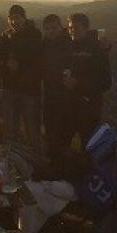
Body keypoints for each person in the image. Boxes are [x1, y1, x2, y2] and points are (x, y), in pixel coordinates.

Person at [53, 13, 111, 153]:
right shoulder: (68, 45)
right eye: (70, 27)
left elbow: (105, 82)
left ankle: (86, 173)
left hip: (88, 109)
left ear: (86, 28)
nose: (72, 30)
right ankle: (62, 172)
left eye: (76, 27)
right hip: (68, 106)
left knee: (87, 147)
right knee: (60, 143)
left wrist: (77, 83)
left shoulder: (97, 49)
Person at [0, 4, 43, 152]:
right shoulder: (6, 36)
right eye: (11, 18)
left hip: (29, 90)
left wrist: (20, 65)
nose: (14, 21)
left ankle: (37, 164)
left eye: (17, 18)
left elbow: (39, 61)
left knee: (32, 129)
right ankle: (15, 161)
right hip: (9, 88)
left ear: (24, 18)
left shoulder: (35, 35)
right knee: (11, 128)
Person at [41, 13, 72, 166]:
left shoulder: (70, 42)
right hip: (49, 94)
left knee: (62, 134)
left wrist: (105, 46)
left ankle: (62, 167)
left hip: (66, 96)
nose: (51, 31)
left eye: (54, 28)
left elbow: (90, 42)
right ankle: (53, 164)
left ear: (61, 27)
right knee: (50, 130)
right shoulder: (44, 43)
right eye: (47, 29)